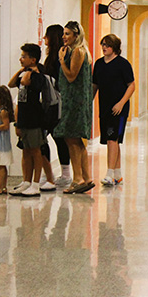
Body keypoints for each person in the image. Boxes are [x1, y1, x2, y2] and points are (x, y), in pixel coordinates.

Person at [53, 20, 94, 194]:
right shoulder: (79, 51)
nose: (64, 37)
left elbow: (71, 76)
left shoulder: (77, 52)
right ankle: (86, 176)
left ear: (76, 35)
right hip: (77, 100)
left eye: (68, 34)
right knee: (76, 140)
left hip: (75, 102)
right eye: (63, 34)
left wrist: (62, 61)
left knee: (71, 139)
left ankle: (77, 179)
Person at [92, 34, 135, 186]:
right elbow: (95, 85)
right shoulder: (99, 64)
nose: (104, 47)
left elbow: (131, 85)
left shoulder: (123, 64)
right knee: (112, 141)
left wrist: (121, 103)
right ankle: (118, 174)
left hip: (119, 108)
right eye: (102, 44)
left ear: (115, 47)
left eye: (108, 45)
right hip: (104, 106)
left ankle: (109, 173)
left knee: (112, 139)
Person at [8, 43, 48, 196]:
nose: (21, 59)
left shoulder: (37, 77)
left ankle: (36, 183)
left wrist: (29, 71)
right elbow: (12, 84)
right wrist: (21, 70)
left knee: (36, 151)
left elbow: (25, 82)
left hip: (34, 119)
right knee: (25, 150)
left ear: (33, 59)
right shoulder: (24, 73)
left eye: (24, 57)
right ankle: (26, 180)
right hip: (23, 118)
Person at [41, 24, 71, 186]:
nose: (44, 38)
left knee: (59, 137)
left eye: (46, 36)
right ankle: (48, 173)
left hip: (57, 103)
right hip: (49, 102)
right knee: (47, 137)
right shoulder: (51, 57)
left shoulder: (61, 57)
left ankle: (65, 173)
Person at [0, 85, 14, 195]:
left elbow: (5, 126)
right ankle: (3, 186)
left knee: (0, 165)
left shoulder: (3, 112)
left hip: (0, 142)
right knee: (0, 164)